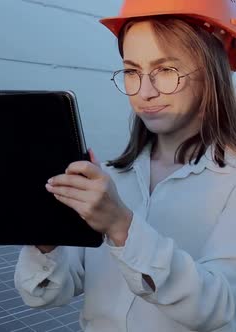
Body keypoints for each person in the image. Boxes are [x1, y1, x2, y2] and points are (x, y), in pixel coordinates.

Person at [14, 1, 236, 331]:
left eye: (166, 70)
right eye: (132, 71)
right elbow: (45, 294)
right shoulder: (110, 177)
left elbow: (219, 307)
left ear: (212, 70)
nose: (145, 92)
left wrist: (121, 227)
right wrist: (45, 234)